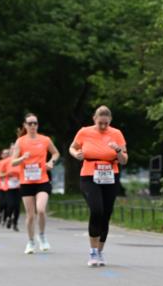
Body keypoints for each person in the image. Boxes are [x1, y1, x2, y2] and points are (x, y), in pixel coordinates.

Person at [69, 105, 128, 267]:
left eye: (106, 124)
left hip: (110, 176)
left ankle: (100, 252)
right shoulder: (84, 132)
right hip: (89, 175)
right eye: (100, 123)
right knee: (97, 210)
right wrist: (76, 154)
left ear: (110, 121)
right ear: (94, 119)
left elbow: (124, 160)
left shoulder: (116, 134)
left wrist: (118, 151)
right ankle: (93, 252)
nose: (103, 126)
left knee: (106, 214)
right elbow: (72, 147)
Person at [11, 114, 59, 254]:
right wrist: (22, 158)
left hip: (42, 180)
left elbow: (56, 153)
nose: (33, 126)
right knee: (30, 215)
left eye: (35, 123)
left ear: (37, 125)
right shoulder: (20, 141)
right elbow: (13, 162)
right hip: (26, 182)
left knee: (41, 210)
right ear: (25, 125)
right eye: (30, 123)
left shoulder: (45, 140)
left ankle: (42, 236)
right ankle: (31, 241)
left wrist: (51, 162)